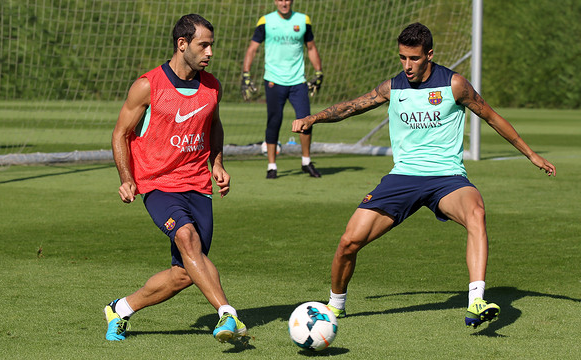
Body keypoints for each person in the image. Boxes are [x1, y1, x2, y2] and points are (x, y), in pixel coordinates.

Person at [292, 23, 556, 328]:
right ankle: (335, 306)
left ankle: (477, 300)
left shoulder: (455, 85)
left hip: (447, 177)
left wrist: (531, 154)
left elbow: (491, 116)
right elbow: (352, 106)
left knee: (476, 213)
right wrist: (314, 118)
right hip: (403, 177)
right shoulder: (393, 87)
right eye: (402, 58)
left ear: (429, 54)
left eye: (414, 58)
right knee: (348, 242)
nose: (407, 65)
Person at [106, 14, 247, 343]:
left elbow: (214, 125)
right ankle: (228, 315)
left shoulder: (212, 86)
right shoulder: (148, 85)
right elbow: (120, 133)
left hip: (198, 186)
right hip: (157, 184)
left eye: (212, 45)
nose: (210, 52)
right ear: (182, 45)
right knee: (186, 237)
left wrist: (219, 164)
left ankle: (121, 308)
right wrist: (127, 178)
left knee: (185, 272)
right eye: (203, 45)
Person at [242, 0, 323, 179]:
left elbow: (311, 47)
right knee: (274, 121)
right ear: (275, 1)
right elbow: (252, 49)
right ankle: (272, 166)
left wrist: (318, 72)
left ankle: (306, 162)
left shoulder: (303, 20)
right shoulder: (266, 21)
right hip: (273, 81)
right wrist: (246, 74)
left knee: (306, 120)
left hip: (298, 81)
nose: (284, 3)